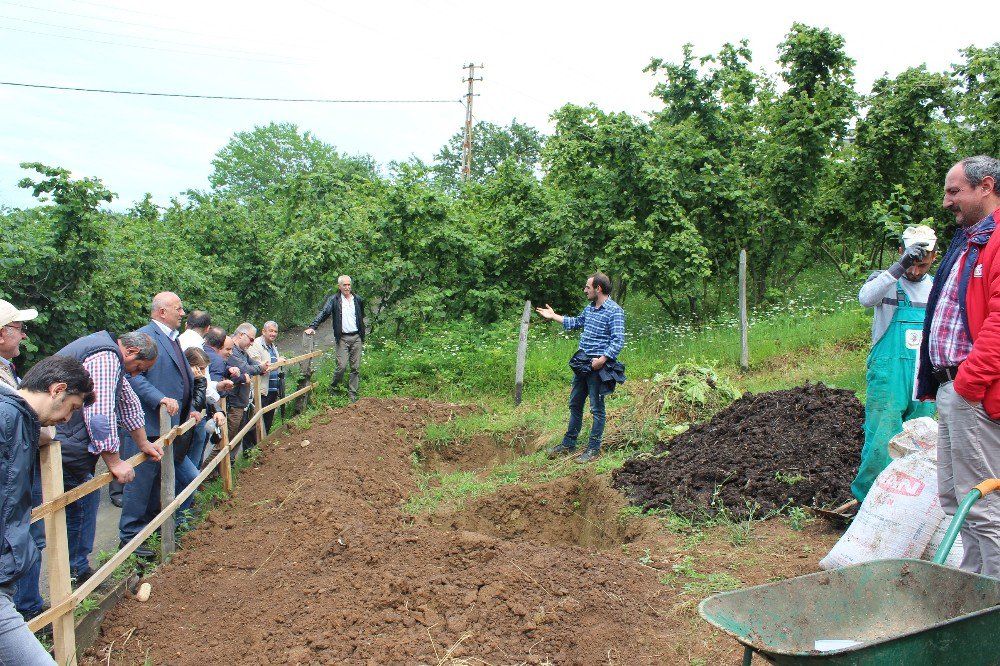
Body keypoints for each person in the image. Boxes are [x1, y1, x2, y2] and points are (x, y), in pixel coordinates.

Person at [916, 155, 1000, 577]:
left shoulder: (998, 238)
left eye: (954, 191)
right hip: (954, 389)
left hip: (975, 392)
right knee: (957, 502)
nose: (947, 201)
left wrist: (967, 385)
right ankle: (972, 595)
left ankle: (993, 611)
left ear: (984, 187)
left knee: (982, 506)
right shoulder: (969, 239)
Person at [0, 354, 94, 665]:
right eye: (73, 408)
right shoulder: (8, 419)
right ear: (57, 389)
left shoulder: (20, 419)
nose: (69, 419)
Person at [53, 330, 164, 585]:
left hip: (68, 443)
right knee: (75, 509)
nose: (135, 374)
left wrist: (143, 442)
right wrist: (114, 461)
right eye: (138, 367)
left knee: (82, 504)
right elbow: (100, 414)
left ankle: (76, 570)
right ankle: (71, 577)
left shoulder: (111, 357)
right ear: (132, 352)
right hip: (62, 445)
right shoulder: (106, 357)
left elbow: (128, 403)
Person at [851, 226, 939, 501]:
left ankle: (903, 503)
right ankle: (867, 502)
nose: (915, 271)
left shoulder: (937, 288)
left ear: (934, 258)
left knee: (920, 442)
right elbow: (865, 298)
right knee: (881, 440)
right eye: (911, 262)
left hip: (924, 374)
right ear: (902, 253)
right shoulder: (888, 282)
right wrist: (897, 269)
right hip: (889, 375)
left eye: (922, 264)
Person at [118, 292, 202, 557]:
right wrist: (160, 399)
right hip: (148, 424)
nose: (182, 312)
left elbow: (181, 378)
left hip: (168, 425)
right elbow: (132, 377)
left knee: (157, 484)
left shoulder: (171, 338)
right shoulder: (146, 337)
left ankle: (153, 530)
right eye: (178, 308)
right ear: (162, 311)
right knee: (140, 484)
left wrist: (189, 409)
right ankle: (130, 537)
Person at [535, 272, 625, 463]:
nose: (585, 290)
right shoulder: (590, 308)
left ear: (598, 288)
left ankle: (593, 449)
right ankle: (569, 444)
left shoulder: (614, 311)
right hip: (582, 365)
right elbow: (576, 322)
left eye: (587, 287)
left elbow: (618, 341)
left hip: (598, 368)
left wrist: (602, 360)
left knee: (596, 409)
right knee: (575, 404)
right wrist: (553, 316)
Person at [0, 301, 46, 625]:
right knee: (25, 538)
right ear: (2, 333)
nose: (24, 334)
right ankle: (22, 613)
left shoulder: (7, 369)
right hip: (12, 482)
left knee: (31, 538)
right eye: (19, 327)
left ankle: (24, 609)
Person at [305, 275, 365, 402]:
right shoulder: (334, 300)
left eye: (349, 285)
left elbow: (361, 315)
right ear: (339, 286)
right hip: (342, 338)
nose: (347, 287)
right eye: (344, 285)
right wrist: (313, 326)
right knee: (341, 366)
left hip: (356, 337)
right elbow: (324, 312)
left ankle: (352, 393)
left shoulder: (357, 299)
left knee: (355, 368)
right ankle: (334, 388)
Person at [224, 323, 268, 455]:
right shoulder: (232, 350)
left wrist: (260, 367)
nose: (252, 343)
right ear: (241, 335)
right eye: (251, 339)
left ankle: (229, 467)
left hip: (242, 400)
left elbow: (251, 363)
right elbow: (245, 368)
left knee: (238, 435)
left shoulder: (242, 351)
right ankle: (217, 472)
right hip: (234, 401)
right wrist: (261, 368)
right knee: (230, 438)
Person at [182, 346, 226, 468]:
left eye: (203, 369)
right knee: (189, 463)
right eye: (199, 369)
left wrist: (217, 410)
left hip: (198, 425)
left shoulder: (197, 380)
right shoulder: (186, 382)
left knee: (197, 458)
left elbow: (205, 397)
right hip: (188, 428)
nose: (202, 373)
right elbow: (196, 404)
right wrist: (200, 381)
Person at [249, 321, 286, 434]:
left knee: (267, 421)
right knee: (255, 423)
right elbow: (257, 366)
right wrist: (276, 362)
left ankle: (263, 447)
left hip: (272, 390)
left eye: (275, 331)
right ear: (263, 331)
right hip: (260, 390)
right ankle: (250, 450)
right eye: (271, 331)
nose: (273, 334)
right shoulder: (255, 345)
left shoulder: (272, 346)